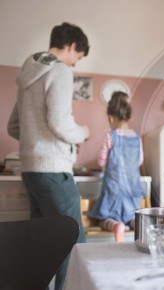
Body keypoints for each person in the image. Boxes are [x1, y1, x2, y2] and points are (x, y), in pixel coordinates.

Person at [7, 22, 90, 290]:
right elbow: (59, 122)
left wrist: (42, 140)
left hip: (31, 170)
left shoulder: (27, 72)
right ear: (72, 46)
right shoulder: (60, 71)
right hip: (53, 172)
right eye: (77, 58)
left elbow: (14, 127)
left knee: (39, 244)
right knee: (74, 241)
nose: (75, 65)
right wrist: (82, 133)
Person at [88, 91, 145, 242]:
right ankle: (136, 224)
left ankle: (115, 226)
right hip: (132, 190)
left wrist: (104, 165)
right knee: (131, 216)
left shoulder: (110, 135)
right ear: (129, 117)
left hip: (113, 188)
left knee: (104, 217)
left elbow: (101, 161)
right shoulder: (137, 138)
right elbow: (139, 161)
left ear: (110, 118)